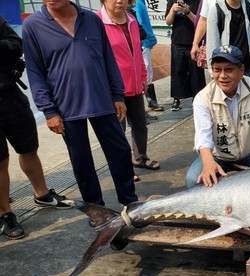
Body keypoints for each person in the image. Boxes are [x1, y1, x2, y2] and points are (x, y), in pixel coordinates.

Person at [22, 0, 138, 207]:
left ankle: (130, 201)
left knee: (119, 150)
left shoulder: (91, 19)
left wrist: (117, 95)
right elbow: (34, 71)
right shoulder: (33, 25)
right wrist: (48, 111)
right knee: (81, 159)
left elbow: (108, 59)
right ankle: (95, 207)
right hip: (65, 103)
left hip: (101, 97)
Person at [0, 15, 72, 240]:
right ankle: (5, 214)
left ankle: (41, 194)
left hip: (10, 94)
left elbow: (16, 44)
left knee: (28, 147)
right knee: (0, 160)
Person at [185, 46, 250, 188]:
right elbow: (203, 136)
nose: (222, 76)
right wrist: (208, 162)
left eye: (229, 69)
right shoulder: (202, 98)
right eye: (217, 70)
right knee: (194, 180)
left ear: (241, 70)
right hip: (219, 156)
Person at [98, 0, 160, 181]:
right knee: (118, 129)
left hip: (134, 83)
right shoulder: (97, 22)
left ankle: (141, 157)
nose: (119, 1)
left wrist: (142, 76)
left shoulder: (131, 19)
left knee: (140, 123)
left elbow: (138, 51)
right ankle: (123, 167)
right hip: (113, 88)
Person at [166, 0, 206, 111]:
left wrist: (188, 12)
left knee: (196, 73)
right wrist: (173, 11)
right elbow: (168, 22)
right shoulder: (172, 1)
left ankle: (198, 98)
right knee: (177, 72)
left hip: (193, 42)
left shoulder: (198, 2)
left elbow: (199, 22)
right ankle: (176, 99)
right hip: (177, 41)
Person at [133, 0, 164, 112]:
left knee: (147, 71)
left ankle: (151, 102)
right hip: (143, 42)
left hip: (145, 42)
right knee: (145, 72)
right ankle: (149, 102)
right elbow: (139, 23)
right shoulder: (137, 3)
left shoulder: (140, 3)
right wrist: (149, 38)